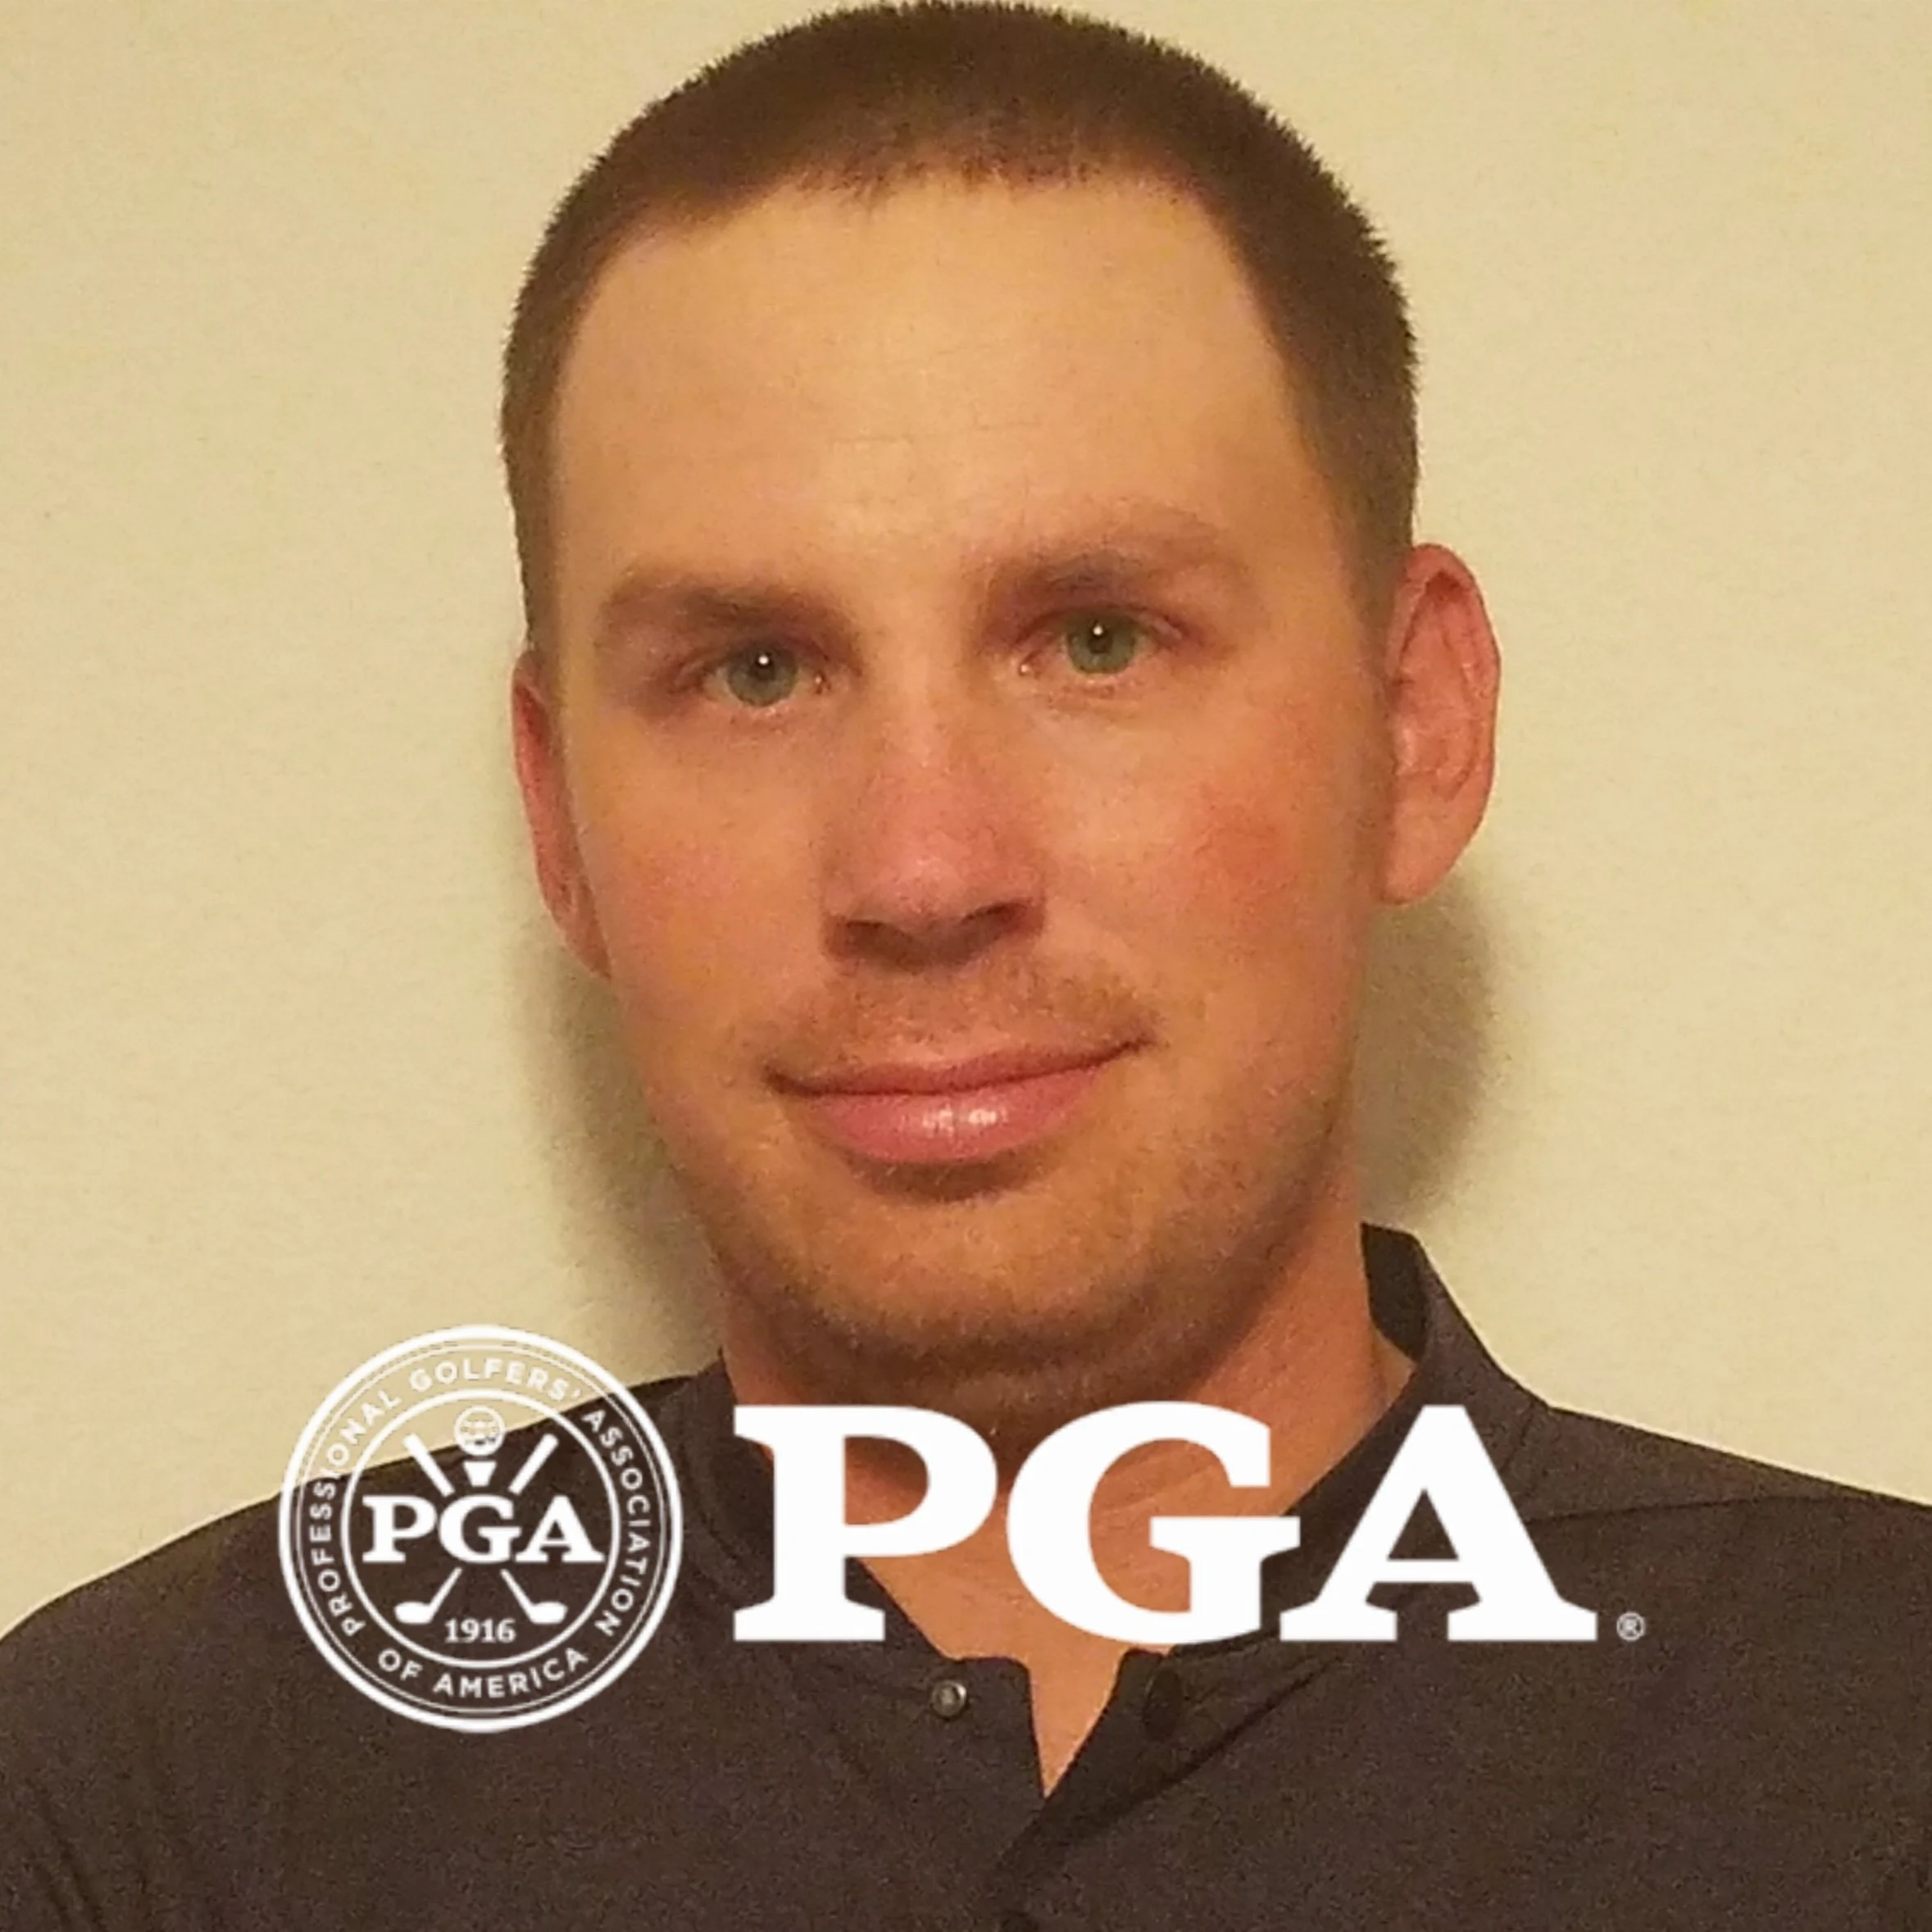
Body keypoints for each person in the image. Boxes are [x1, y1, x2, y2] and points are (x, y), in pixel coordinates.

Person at [3, 5, 1928, 1926]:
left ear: (1411, 724)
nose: (921, 866)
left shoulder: (1870, 1757)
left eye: (1096, 638)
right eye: (752, 670)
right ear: (559, 818)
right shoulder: (134, 1805)